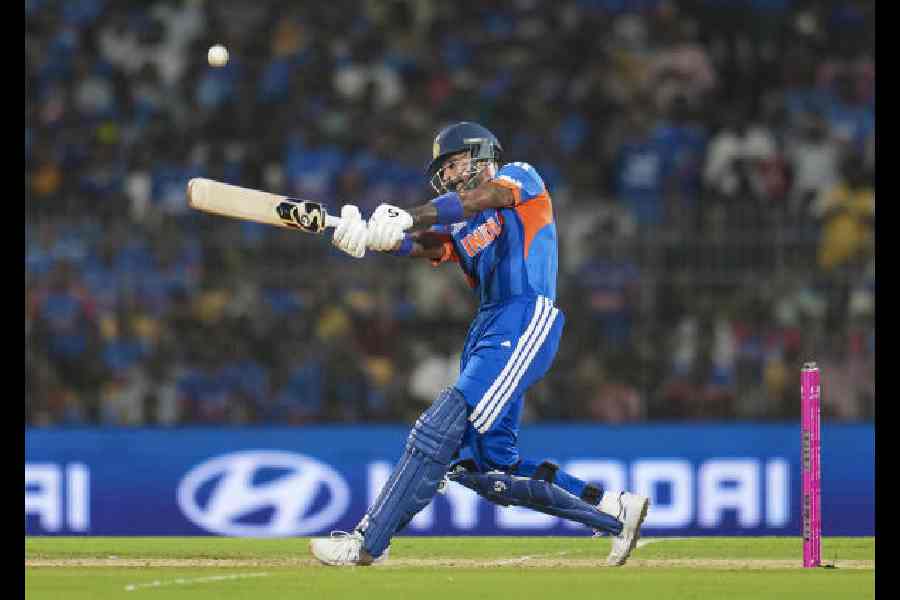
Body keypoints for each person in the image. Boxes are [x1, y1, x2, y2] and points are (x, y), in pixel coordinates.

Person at [310, 122, 649, 566]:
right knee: (488, 467)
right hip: (489, 328)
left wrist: (409, 215)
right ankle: (613, 512)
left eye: (454, 164)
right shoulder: (466, 222)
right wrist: (373, 240)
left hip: (526, 315)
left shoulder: (521, 177)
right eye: (443, 171)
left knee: (439, 427)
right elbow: (429, 246)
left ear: (482, 155)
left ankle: (368, 541)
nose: (449, 175)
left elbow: (477, 199)